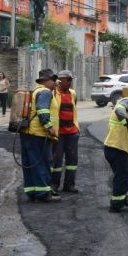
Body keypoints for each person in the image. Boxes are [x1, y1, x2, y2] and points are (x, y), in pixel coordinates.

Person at [20, 69, 60, 203]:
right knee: (42, 163)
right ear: (47, 80)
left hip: (27, 133)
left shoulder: (35, 91)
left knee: (30, 163)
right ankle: (43, 193)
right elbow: (42, 110)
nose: (55, 83)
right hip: (39, 134)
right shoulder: (45, 92)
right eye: (53, 80)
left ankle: (32, 191)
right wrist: (49, 127)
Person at [50, 70, 81, 194]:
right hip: (59, 132)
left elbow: (74, 109)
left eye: (70, 80)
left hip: (72, 132)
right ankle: (54, 185)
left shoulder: (72, 93)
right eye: (67, 80)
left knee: (72, 160)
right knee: (56, 160)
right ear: (60, 80)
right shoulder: (53, 93)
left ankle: (69, 185)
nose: (69, 82)